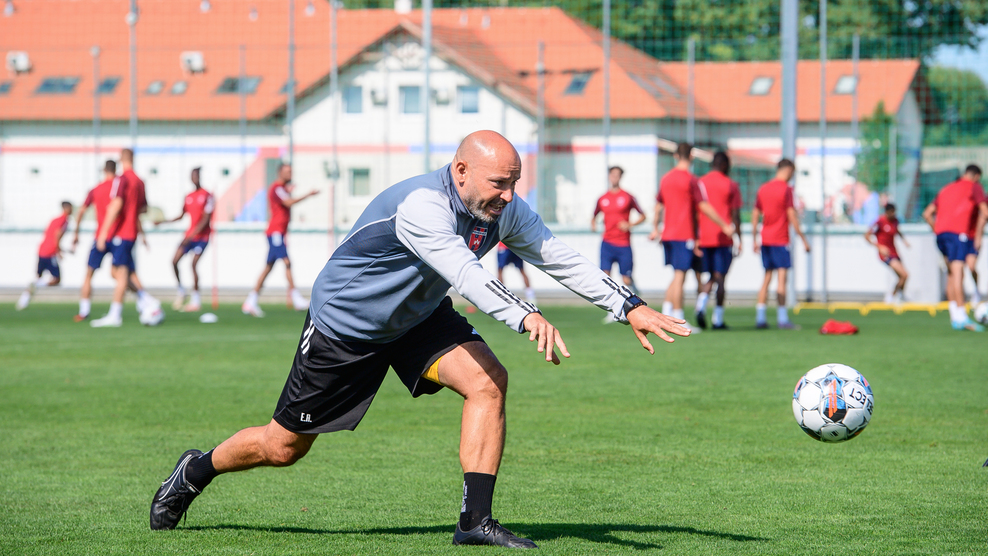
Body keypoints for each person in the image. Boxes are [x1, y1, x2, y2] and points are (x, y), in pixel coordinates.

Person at [149, 131, 691, 548]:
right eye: (498, 184)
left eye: (514, 183)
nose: (508, 196)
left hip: (417, 318)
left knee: (488, 383)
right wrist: (526, 316)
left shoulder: (502, 209)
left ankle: (475, 522)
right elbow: (465, 274)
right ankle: (195, 469)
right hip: (349, 326)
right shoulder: (422, 205)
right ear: (461, 171)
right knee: (283, 447)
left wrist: (629, 306)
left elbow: (557, 256)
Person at [648, 143, 734, 329]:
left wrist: (655, 228)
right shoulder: (692, 180)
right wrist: (723, 225)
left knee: (676, 275)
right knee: (680, 276)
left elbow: (658, 206)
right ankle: (678, 321)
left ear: (675, 156)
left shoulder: (666, 179)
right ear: (692, 157)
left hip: (668, 235)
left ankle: (665, 314)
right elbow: (703, 206)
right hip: (683, 234)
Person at [90, 148, 161, 327]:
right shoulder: (139, 181)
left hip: (121, 233)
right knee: (120, 272)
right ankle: (148, 301)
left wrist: (103, 232)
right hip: (131, 233)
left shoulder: (121, 180)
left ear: (121, 159)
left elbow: (116, 204)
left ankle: (115, 315)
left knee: (120, 274)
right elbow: (143, 208)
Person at [241, 163, 318, 317]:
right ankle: (296, 298)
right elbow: (288, 202)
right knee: (287, 262)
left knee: (268, 267)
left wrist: (288, 191)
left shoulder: (281, 189)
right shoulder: (276, 188)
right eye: (287, 171)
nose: (290, 174)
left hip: (279, 232)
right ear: (280, 172)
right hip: (275, 232)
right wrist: (307, 195)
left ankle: (251, 301)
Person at [922, 164, 987, 331]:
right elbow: (985, 212)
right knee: (958, 273)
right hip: (958, 234)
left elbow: (927, 213)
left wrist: (937, 230)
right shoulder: (974, 186)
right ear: (976, 176)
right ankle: (963, 316)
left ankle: (955, 316)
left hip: (941, 235)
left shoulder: (946, 188)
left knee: (951, 274)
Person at [751, 159, 810, 330]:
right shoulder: (787, 189)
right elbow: (792, 216)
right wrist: (803, 239)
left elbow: (755, 214)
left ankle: (760, 317)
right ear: (788, 170)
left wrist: (754, 238)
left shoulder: (763, 188)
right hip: (780, 239)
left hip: (765, 239)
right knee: (782, 279)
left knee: (766, 278)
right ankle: (782, 319)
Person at [694, 152, 743, 329]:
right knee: (720, 277)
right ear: (725, 165)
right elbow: (735, 214)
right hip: (724, 237)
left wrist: (695, 236)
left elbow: (695, 211)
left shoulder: (700, 182)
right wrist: (739, 238)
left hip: (704, 237)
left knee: (710, 275)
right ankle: (718, 319)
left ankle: (701, 303)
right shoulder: (730, 184)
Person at [156, 167, 215, 312]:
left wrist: (191, 236)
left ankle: (196, 300)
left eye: (196, 176)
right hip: (189, 236)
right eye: (192, 176)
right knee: (174, 261)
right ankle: (181, 291)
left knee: (193, 264)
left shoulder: (207, 195)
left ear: (199, 177)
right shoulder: (188, 196)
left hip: (202, 237)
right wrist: (163, 222)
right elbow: (181, 215)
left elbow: (205, 220)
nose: (195, 178)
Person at [591, 166, 646, 297]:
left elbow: (643, 216)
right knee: (605, 277)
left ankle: (634, 295)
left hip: (623, 243)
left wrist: (630, 224)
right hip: (607, 243)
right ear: (609, 176)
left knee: (626, 279)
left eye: (617, 175)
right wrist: (593, 224)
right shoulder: (602, 198)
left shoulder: (628, 197)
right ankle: (610, 306)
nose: (614, 177)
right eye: (612, 174)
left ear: (620, 177)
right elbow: (594, 215)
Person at [16, 201, 73, 310]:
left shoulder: (54, 219)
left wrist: (61, 249)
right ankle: (35, 285)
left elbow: (49, 234)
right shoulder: (64, 220)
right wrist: (58, 251)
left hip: (42, 249)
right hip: (50, 252)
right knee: (56, 279)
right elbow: (57, 235)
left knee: (38, 277)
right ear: (66, 208)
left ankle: (24, 300)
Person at [864, 203, 910, 304]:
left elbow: (897, 231)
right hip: (886, 254)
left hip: (894, 252)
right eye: (891, 212)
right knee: (904, 275)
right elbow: (866, 236)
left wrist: (904, 241)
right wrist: (879, 247)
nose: (893, 214)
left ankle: (898, 296)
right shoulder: (880, 221)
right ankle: (892, 297)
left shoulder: (895, 221)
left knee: (903, 277)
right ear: (887, 212)